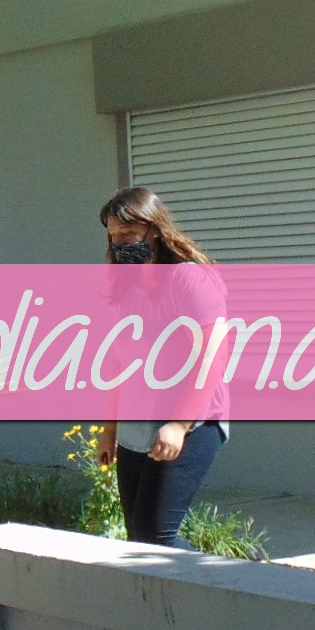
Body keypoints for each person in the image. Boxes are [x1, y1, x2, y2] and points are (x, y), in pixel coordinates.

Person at [91, 187, 232, 547]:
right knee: (140, 538)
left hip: (192, 422)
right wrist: (109, 428)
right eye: (113, 236)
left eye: (128, 233)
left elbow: (212, 358)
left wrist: (179, 425)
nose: (120, 244)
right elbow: (118, 362)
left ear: (154, 230)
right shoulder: (125, 285)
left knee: (157, 535)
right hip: (136, 426)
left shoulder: (188, 279)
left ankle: (235, 577)